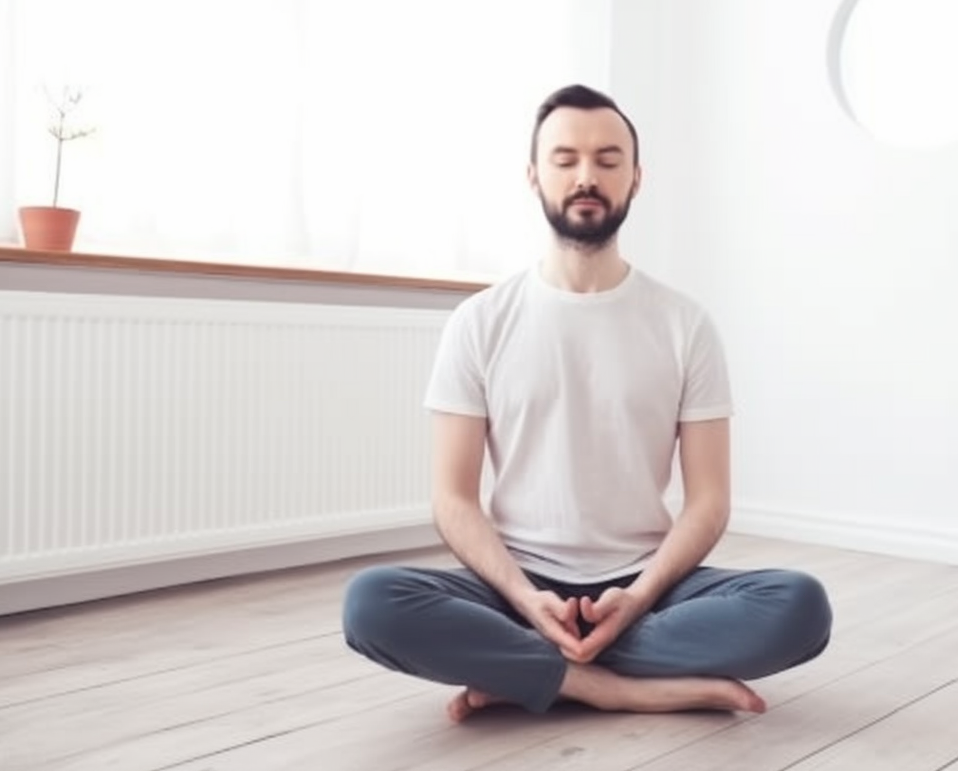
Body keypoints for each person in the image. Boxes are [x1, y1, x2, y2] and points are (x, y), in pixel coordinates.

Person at [342, 84, 832, 722]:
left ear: (635, 177)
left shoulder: (686, 324)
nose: (585, 177)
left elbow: (709, 499)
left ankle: (532, 671)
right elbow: (453, 499)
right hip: (513, 585)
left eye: (607, 159)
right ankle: (606, 686)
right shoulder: (479, 321)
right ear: (534, 175)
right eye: (565, 159)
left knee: (800, 605)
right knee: (373, 602)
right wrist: (522, 599)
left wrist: (637, 596)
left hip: (650, 586)